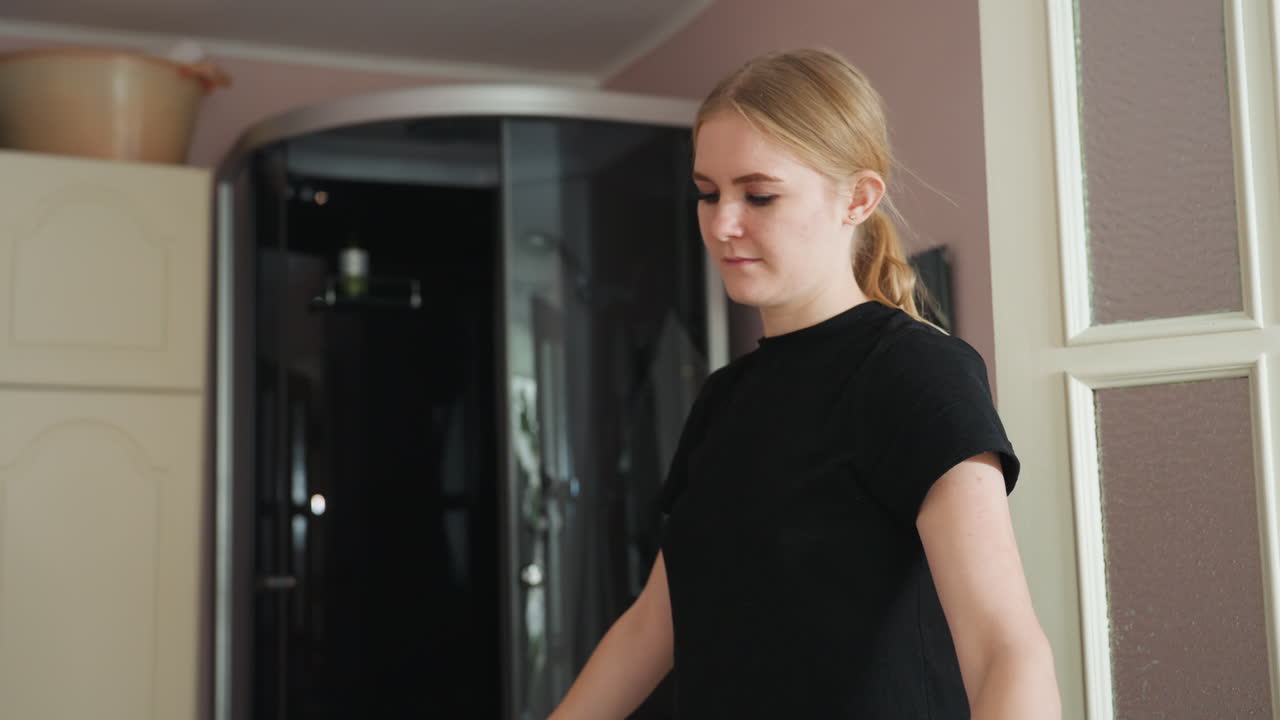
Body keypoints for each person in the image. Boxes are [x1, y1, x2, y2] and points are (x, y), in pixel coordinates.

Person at [548, 48, 1059, 719]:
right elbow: (656, 624)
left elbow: (1004, 649)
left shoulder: (915, 373)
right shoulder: (724, 399)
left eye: (758, 195)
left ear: (858, 197)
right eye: (708, 193)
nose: (722, 223)